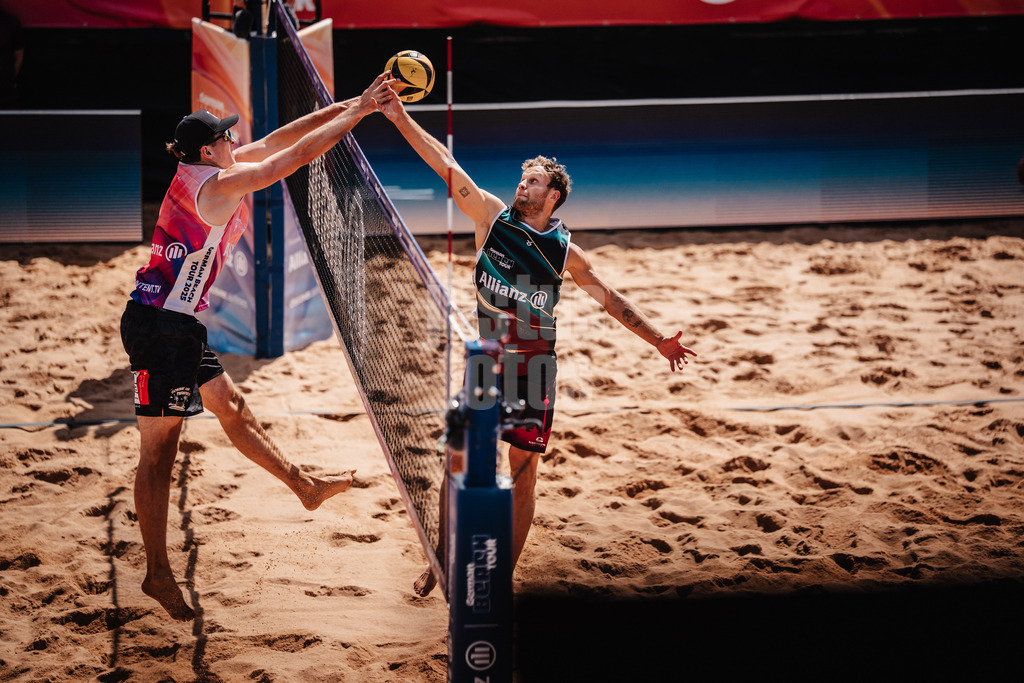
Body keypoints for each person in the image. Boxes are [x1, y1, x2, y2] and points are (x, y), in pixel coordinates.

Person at [376, 85, 697, 597]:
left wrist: (658, 340)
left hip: (533, 371)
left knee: (521, 474)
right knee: (454, 461)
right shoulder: (490, 219)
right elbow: (445, 165)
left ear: (553, 197)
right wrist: (397, 118)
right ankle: (441, 557)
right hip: (484, 364)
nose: (522, 185)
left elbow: (609, 297)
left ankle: (499, 578)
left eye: (534, 181)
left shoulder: (566, 253)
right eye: (522, 178)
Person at [120, 72, 398, 621]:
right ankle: (156, 571)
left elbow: (277, 140)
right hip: (159, 329)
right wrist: (355, 117)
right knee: (159, 454)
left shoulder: (207, 165)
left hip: (177, 324)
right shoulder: (216, 186)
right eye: (225, 136)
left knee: (232, 408)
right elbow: (284, 164)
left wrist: (358, 105)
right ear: (208, 150)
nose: (234, 139)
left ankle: (305, 486)